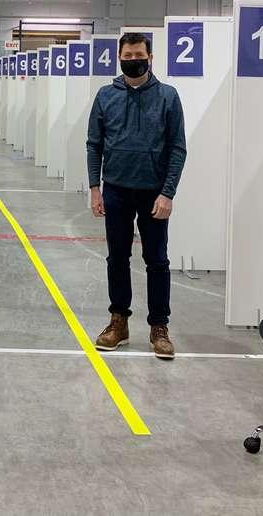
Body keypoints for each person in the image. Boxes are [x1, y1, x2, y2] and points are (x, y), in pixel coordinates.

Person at [86, 33, 186, 360]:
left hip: (153, 195)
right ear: (119, 57)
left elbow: (177, 149)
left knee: (157, 261)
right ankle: (119, 321)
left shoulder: (168, 97)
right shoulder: (105, 96)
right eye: (127, 54)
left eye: (138, 54)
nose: (133, 59)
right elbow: (94, 145)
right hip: (115, 190)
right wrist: (95, 188)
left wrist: (167, 193)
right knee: (117, 258)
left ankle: (159, 326)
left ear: (150, 57)